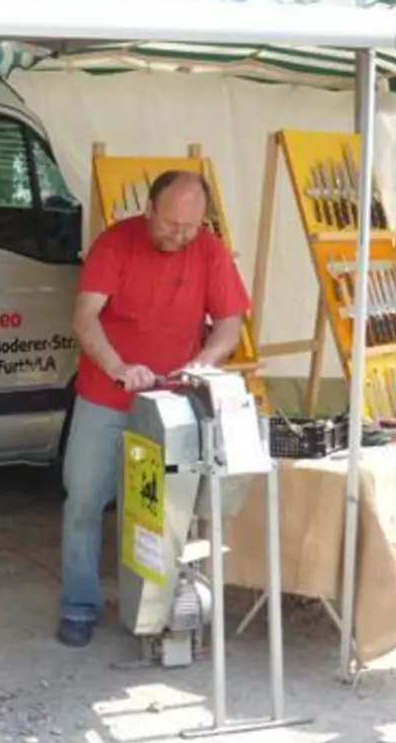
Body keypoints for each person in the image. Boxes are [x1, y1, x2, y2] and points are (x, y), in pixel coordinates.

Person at [56, 170, 251, 648]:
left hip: (169, 401)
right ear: (148, 209)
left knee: (158, 510)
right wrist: (118, 367)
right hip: (105, 395)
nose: (180, 235)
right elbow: (84, 319)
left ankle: (156, 609)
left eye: (190, 227)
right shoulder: (114, 244)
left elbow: (230, 322)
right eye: (170, 224)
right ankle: (79, 605)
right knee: (83, 499)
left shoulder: (208, 249)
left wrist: (204, 362)